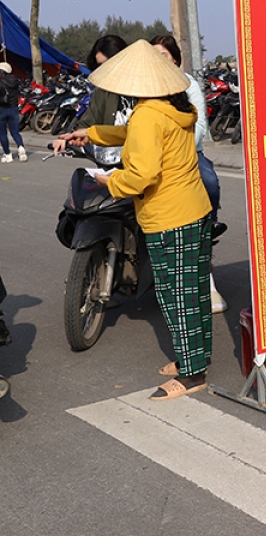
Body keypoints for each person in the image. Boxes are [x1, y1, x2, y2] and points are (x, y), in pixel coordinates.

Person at [61, 40, 213, 400]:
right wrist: (92, 132)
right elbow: (134, 134)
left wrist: (108, 179)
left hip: (169, 215)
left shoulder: (147, 114)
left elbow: (139, 175)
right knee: (191, 290)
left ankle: (192, 375)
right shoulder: (175, 106)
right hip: (193, 208)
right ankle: (194, 357)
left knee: (177, 295)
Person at [149, 35, 228, 314]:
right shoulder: (144, 86)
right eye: (154, 54)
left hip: (187, 153)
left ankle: (209, 230)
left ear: (174, 57)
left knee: (209, 181)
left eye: (164, 55)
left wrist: (175, 148)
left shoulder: (188, 84)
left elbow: (200, 127)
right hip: (150, 153)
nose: (160, 60)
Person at [53, 35, 131, 161]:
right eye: (100, 65)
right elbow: (89, 121)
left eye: (110, 63)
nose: (105, 69)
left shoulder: (145, 91)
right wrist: (71, 137)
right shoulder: (102, 92)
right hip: (110, 163)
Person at [0, 62, 26, 163]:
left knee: (2, 134)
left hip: (1, 109)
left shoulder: (1, 81)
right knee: (15, 132)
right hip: (14, 108)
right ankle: (20, 147)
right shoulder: (16, 81)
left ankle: (8, 155)